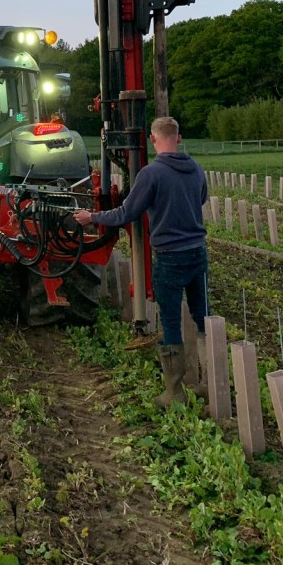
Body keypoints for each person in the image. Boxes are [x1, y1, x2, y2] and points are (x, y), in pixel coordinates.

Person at [74, 116, 209, 408]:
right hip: (198, 252)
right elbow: (201, 199)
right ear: (179, 137)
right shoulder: (196, 168)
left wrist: (92, 217)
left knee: (171, 320)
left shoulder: (151, 173)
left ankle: (174, 392)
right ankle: (209, 383)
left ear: (152, 139)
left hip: (170, 256)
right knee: (203, 316)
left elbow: (125, 213)